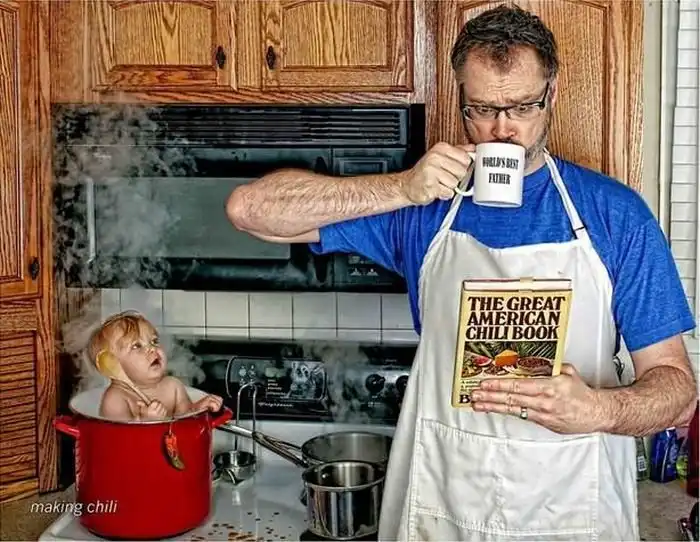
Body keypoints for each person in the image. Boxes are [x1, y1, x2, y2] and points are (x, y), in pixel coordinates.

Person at [225, 5, 697, 540]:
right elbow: (250, 210)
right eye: (483, 109)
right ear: (459, 100)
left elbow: (678, 391)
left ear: (552, 94)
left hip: (571, 507)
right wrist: (400, 187)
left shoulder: (616, 215)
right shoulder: (422, 207)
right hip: (445, 503)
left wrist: (599, 409)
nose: (503, 129)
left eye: (523, 107)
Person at [88, 310, 223, 421]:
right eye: (137, 346)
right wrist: (144, 420)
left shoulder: (173, 387)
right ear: (115, 365)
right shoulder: (116, 399)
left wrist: (198, 409)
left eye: (154, 341)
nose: (152, 349)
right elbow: (117, 439)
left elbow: (185, 420)